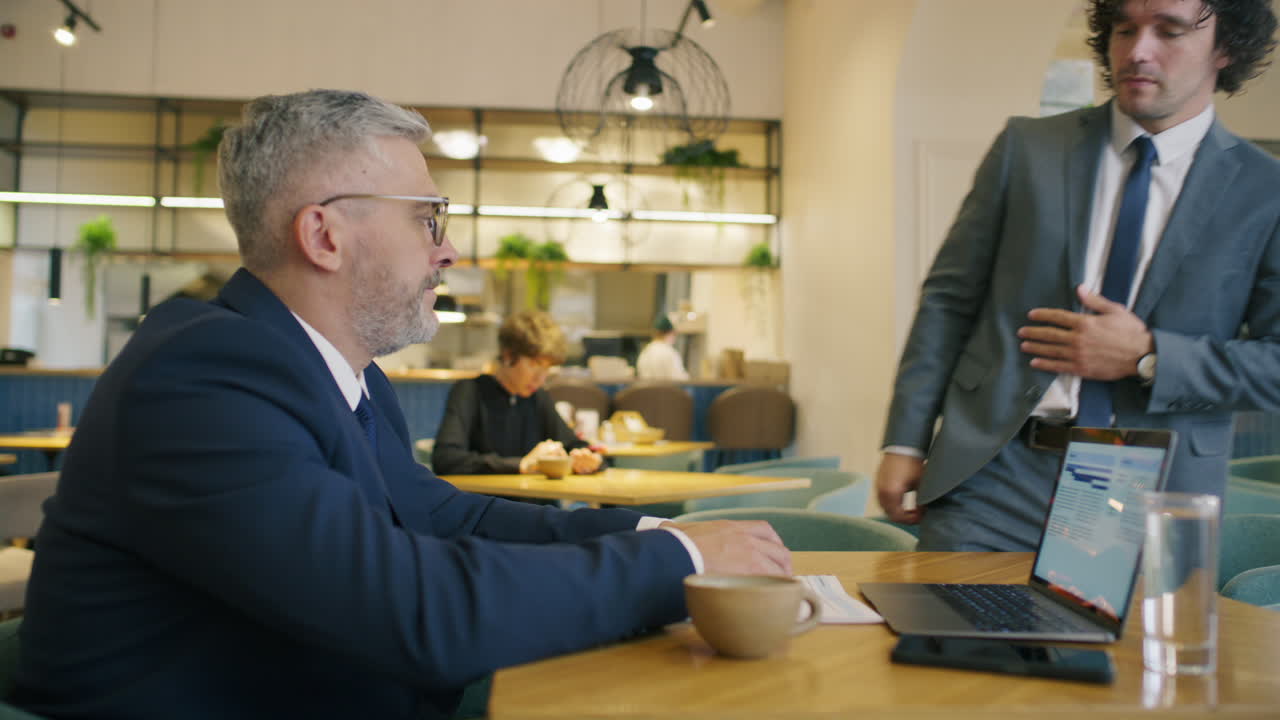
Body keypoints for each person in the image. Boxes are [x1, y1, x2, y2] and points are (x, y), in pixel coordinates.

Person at [10, 89, 792, 720]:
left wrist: (659, 530)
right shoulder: (203, 377)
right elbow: (418, 616)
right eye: (427, 217)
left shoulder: (339, 371)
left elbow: (449, 516)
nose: (448, 249)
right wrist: (680, 565)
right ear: (324, 236)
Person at [876, 0, 1280, 551]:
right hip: (996, 472)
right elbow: (950, 300)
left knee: (1110, 643)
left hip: (1155, 489)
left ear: (1226, 47)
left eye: (1169, 31)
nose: (1138, 50)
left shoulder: (1265, 191)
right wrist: (906, 440)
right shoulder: (1028, 149)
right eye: (1124, 29)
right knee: (944, 632)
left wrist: (1149, 358)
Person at [432, 310, 604, 475]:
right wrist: (521, 464)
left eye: (547, 369)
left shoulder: (538, 397)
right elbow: (445, 459)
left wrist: (589, 458)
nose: (540, 379)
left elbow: (573, 443)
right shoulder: (470, 392)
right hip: (490, 503)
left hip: (536, 503)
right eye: (535, 364)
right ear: (508, 355)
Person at [636, 312, 690, 380]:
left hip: (647, 390)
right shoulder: (669, 352)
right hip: (666, 390)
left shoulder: (645, 352)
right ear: (671, 333)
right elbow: (680, 380)